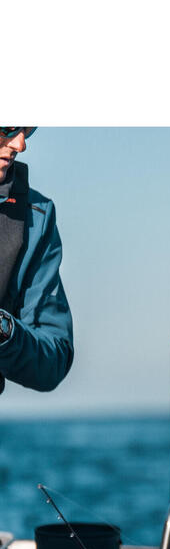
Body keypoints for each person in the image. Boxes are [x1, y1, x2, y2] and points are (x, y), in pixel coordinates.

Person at [0, 127, 73, 395]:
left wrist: (4, 331)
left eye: (27, 130)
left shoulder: (36, 217)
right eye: (7, 128)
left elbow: (54, 357)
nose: (20, 144)